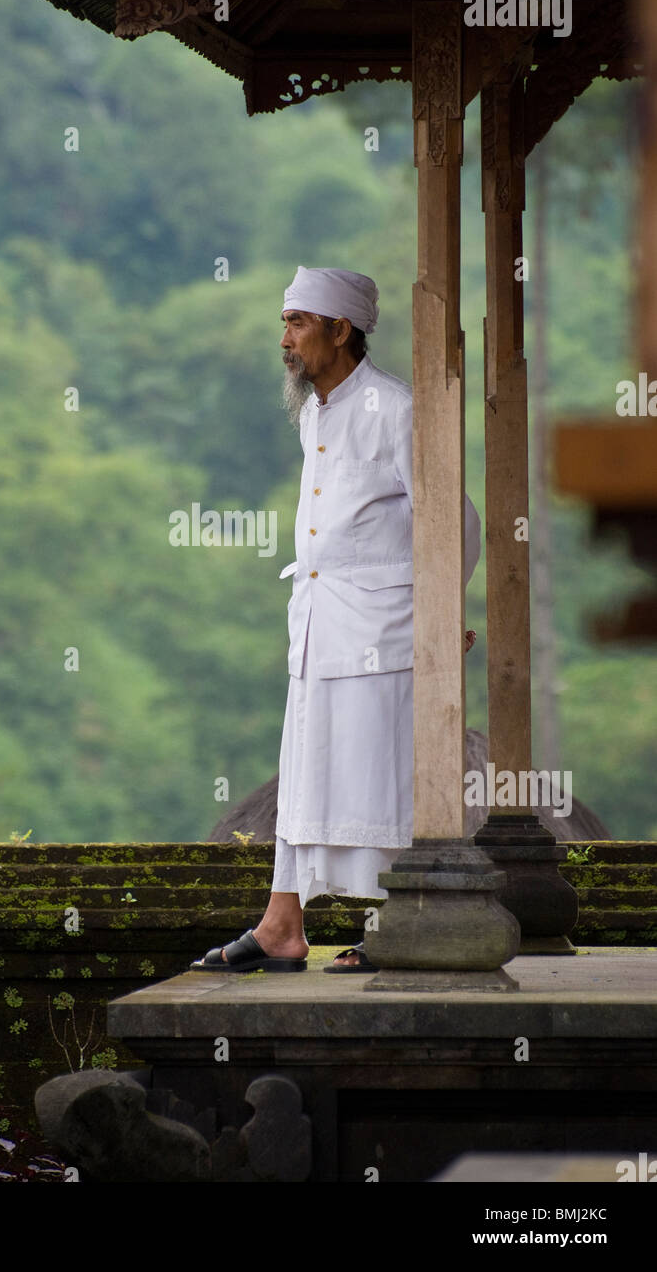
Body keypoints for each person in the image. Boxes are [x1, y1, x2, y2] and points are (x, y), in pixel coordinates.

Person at [192, 265, 480, 974]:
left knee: (379, 778)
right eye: (283, 322)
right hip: (320, 623)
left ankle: (395, 926)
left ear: (339, 329)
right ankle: (281, 927)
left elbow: (455, 521)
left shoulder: (395, 408)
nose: (283, 338)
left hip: (383, 630)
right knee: (308, 772)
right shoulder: (315, 408)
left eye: (296, 322)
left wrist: (440, 613)